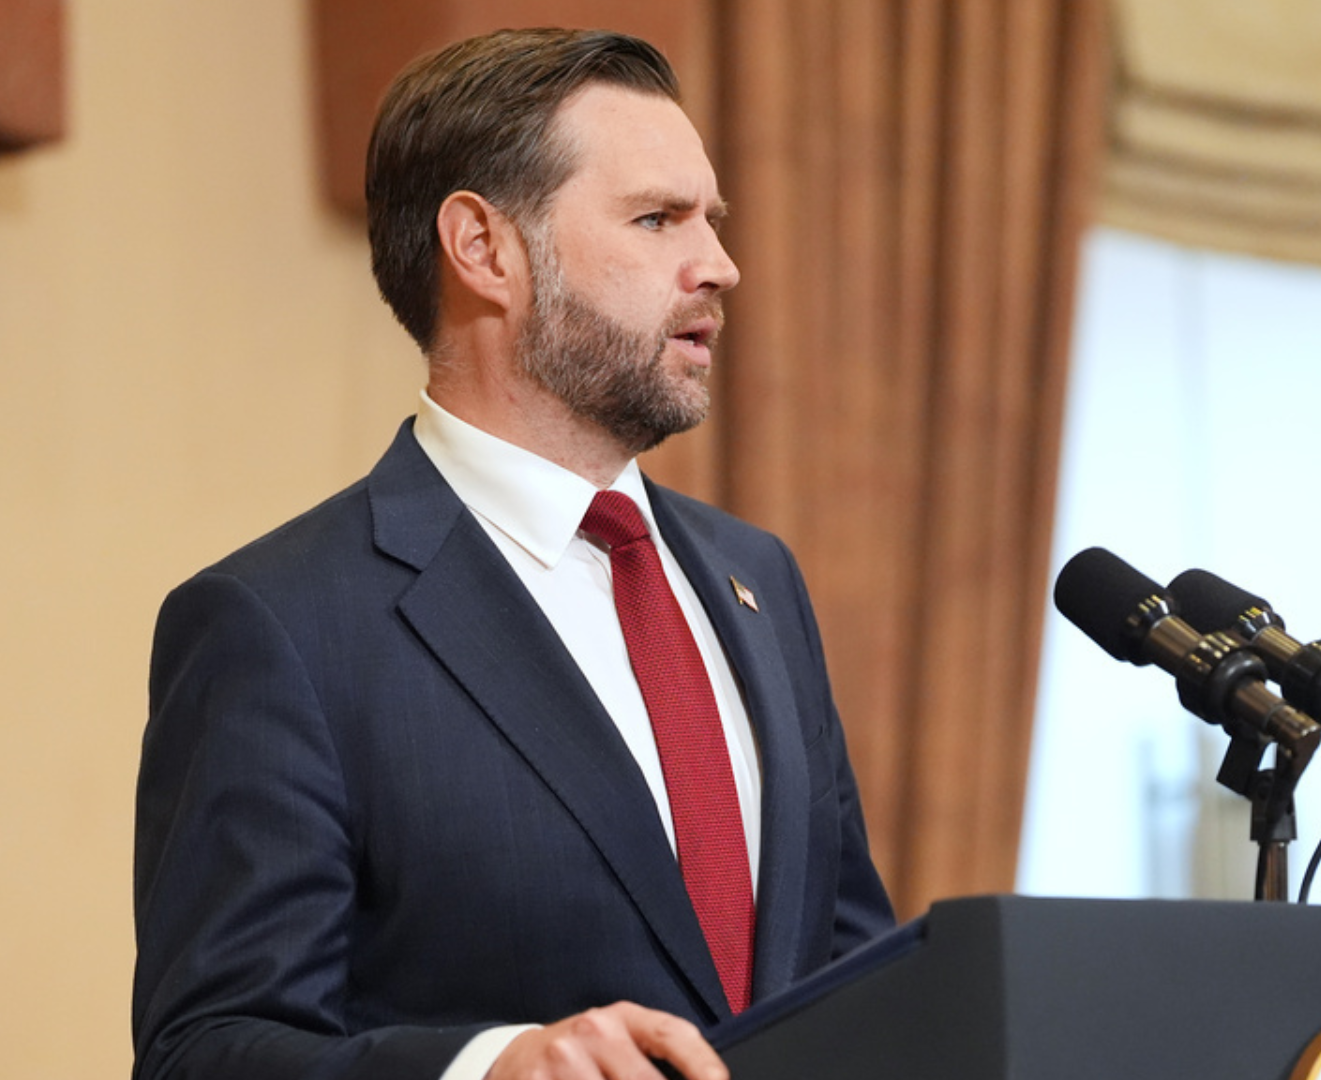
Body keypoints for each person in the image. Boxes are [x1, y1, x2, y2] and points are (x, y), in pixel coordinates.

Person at [133, 28, 894, 1080]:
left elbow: (849, 976)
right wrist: (489, 1068)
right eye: (658, 218)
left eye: (711, 220)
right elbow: (204, 1052)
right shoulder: (282, 626)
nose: (720, 264)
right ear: (484, 249)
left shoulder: (757, 578)